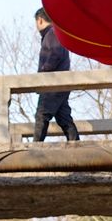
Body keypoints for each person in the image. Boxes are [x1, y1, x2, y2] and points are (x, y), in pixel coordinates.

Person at [32, 8, 79, 142]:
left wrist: (42, 73)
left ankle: (35, 148)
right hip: (60, 85)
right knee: (64, 118)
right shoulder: (55, 33)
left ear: (40, 20)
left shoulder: (51, 34)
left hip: (53, 83)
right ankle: (77, 145)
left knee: (42, 114)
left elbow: (54, 54)